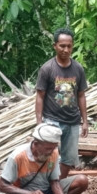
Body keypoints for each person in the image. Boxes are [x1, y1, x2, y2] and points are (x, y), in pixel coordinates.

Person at [0, 123, 89, 194]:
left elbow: (54, 182)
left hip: (48, 192)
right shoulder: (18, 156)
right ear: (36, 144)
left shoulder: (53, 153)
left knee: (82, 181)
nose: (51, 152)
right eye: (47, 148)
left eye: (54, 147)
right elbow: (2, 186)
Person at [35, 28, 88, 179]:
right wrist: (39, 123)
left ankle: (59, 186)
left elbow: (81, 95)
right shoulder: (47, 69)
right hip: (52, 120)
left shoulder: (78, 68)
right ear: (55, 46)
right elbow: (40, 96)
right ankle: (44, 185)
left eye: (69, 46)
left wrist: (85, 121)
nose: (66, 49)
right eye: (62, 46)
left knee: (69, 159)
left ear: (72, 46)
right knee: (47, 156)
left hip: (72, 121)